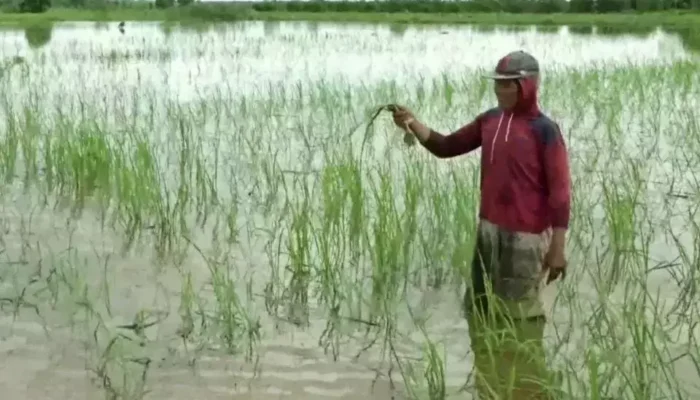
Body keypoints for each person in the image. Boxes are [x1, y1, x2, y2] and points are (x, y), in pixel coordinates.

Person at [392, 50, 571, 400]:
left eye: (507, 84)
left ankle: (526, 384)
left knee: (522, 317)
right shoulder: (490, 121)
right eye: (498, 84)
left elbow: (560, 193)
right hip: (488, 232)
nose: (499, 91)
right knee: (481, 306)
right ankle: (491, 379)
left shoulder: (545, 131)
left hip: (527, 238)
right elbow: (445, 146)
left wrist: (558, 247)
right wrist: (412, 123)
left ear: (526, 86)